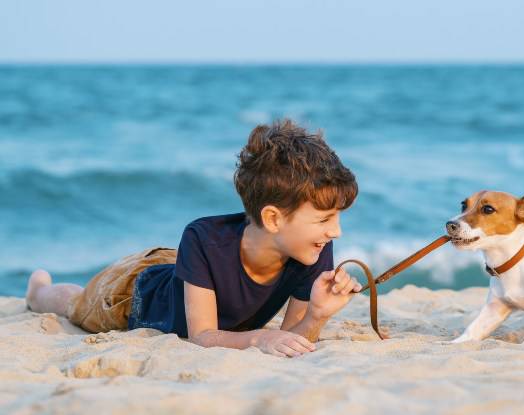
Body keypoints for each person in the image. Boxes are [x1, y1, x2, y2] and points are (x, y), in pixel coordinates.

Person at [25, 119, 362, 358]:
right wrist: (258, 337)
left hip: (188, 277)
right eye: (324, 219)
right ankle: (38, 290)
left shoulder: (312, 248)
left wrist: (317, 315)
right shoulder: (202, 236)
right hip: (133, 294)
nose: (336, 231)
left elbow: (290, 341)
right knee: (74, 304)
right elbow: (201, 337)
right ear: (273, 218)